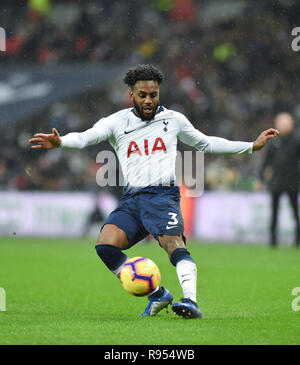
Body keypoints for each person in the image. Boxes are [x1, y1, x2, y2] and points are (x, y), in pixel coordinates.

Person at [29, 64, 279, 319]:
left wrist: (251, 146)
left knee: (173, 244)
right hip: (131, 199)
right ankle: (157, 294)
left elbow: (206, 142)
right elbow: (85, 138)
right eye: (142, 95)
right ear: (132, 96)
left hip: (161, 196)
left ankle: (190, 301)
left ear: (159, 93)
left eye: (153, 94)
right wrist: (61, 142)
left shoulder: (174, 120)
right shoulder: (116, 122)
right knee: (105, 246)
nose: (148, 100)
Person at [259, 112, 300, 247]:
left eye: (285, 123)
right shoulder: (273, 141)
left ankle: (297, 239)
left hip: (293, 181)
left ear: (291, 124)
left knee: (295, 211)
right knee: (274, 211)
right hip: (276, 181)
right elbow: (266, 162)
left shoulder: (296, 141)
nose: (283, 126)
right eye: (281, 123)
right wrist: (260, 178)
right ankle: (273, 240)